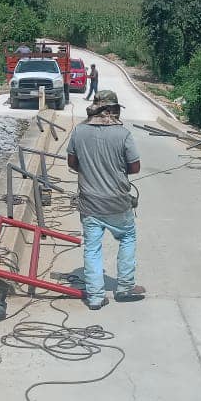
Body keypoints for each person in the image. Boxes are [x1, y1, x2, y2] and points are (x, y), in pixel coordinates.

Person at [66, 90, 145, 311]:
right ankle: (125, 288)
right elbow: (135, 167)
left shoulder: (79, 132)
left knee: (92, 249)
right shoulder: (123, 135)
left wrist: (90, 170)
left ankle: (95, 297)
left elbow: (72, 163)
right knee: (127, 237)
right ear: (112, 111)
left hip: (90, 204)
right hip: (118, 203)